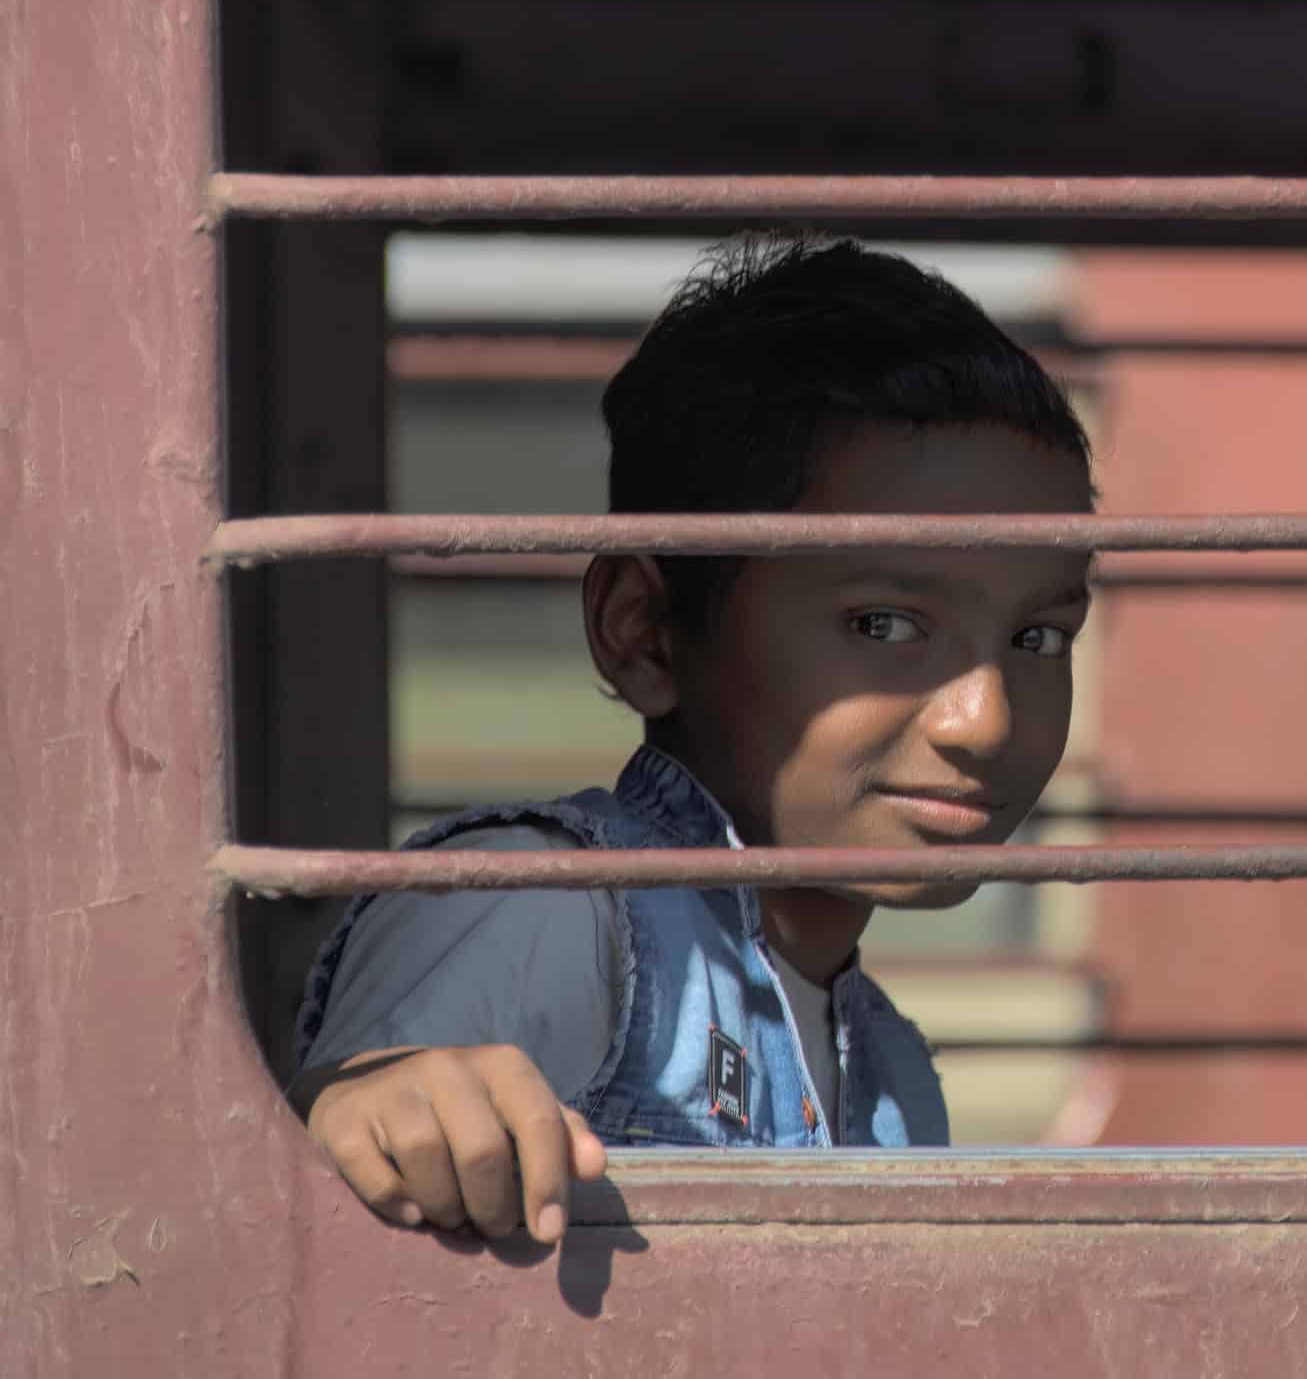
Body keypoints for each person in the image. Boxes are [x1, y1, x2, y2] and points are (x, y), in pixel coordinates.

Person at [290, 235, 1096, 1244]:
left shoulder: (890, 1070)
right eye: (883, 623)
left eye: (1039, 636)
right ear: (644, 627)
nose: (986, 718)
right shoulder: (541, 908)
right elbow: (346, 1158)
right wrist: (383, 1099)